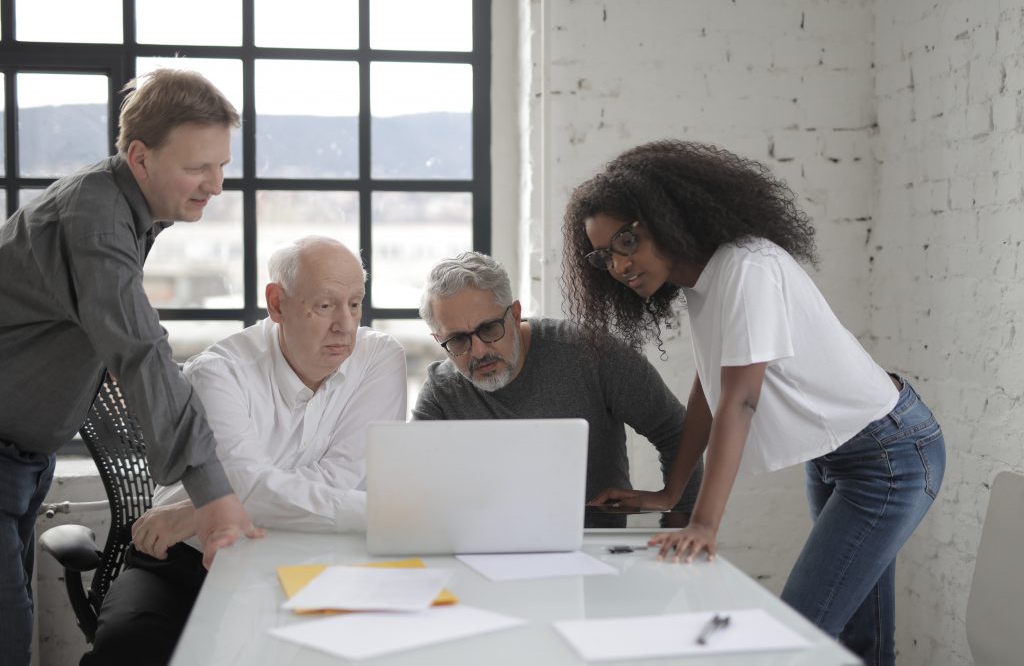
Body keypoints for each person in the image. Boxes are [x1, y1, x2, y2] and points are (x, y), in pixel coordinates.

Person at [562, 139, 945, 666]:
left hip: (888, 458)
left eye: (628, 239)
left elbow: (740, 402)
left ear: (667, 216)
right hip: (839, 454)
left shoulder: (746, 268)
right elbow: (711, 385)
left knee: (798, 637)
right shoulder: (701, 280)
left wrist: (704, 525)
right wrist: (674, 494)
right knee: (859, 641)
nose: (620, 264)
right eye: (605, 254)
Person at [0, 69, 261, 666]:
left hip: (23, 459)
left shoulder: (123, 208)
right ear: (138, 156)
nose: (216, 185)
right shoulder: (94, 216)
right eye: (199, 167)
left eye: (221, 165)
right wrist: (212, 495)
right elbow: (141, 348)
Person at [81, 236, 407, 666]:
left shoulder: (379, 358)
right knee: (129, 647)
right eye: (325, 306)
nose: (345, 325)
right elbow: (251, 486)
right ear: (277, 304)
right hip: (187, 558)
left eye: (355, 303)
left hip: (306, 557)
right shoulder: (218, 373)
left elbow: (343, 478)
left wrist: (204, 508)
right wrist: (380, 513)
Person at [413, 251, 703, 516]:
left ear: (515, 315)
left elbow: (677, 432)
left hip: (593, 550)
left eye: (489, 329)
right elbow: (412, 483)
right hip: (478, 553)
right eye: (458, 340)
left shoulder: (590, 353)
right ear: (440, 341)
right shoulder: (441, 391)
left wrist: (679, 519)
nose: (478, 351)